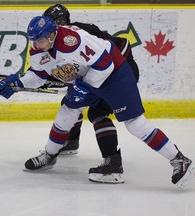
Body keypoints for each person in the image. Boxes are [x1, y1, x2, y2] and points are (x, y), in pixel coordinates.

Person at [0, 16, 195, 188]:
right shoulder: (39, 50)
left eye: (38, 41)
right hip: (88, 78)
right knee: (66, 113)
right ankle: (49, 155)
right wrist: (16, 82)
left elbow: (105, 64)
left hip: (114, 72)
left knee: (135, 123)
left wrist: (84, 87)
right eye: (33, 41)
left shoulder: (72, 41)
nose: (35, 45)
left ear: (51, 35)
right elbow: (38, 76)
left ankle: (179, 160)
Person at [41, 4, 140, 183]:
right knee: (73, 100)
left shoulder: (79, 33)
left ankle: (113, 161)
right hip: (108, 72)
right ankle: (71, 142)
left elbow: (113, 53)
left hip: (119, 72)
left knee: (97, 111)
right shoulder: (59, 41)